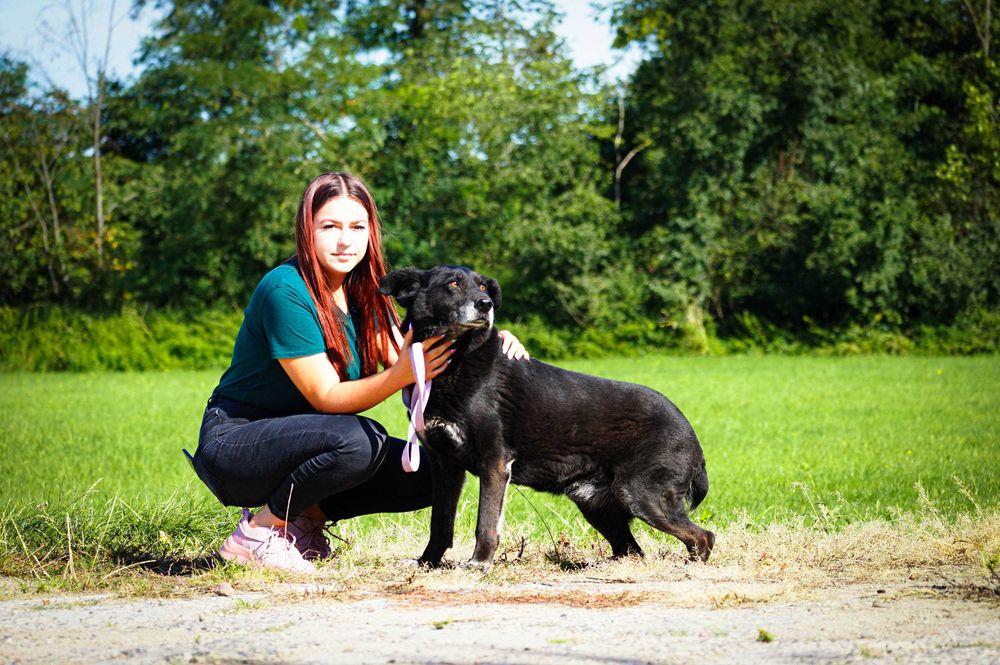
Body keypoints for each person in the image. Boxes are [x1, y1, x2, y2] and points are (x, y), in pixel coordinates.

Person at [192, 172, 528, 573]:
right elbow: (327, 396)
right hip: (237, 442)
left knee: (425, 473)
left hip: (306, 440)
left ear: (371, 232)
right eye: (329, 227)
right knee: (358, 439)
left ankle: (300, 525)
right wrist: (401, 374)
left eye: (356, 227)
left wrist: (484, 335)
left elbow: (410, 353)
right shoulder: (285, 290)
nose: (344, 240)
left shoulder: (364, 290)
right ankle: (258, 533)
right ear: (307, 230)